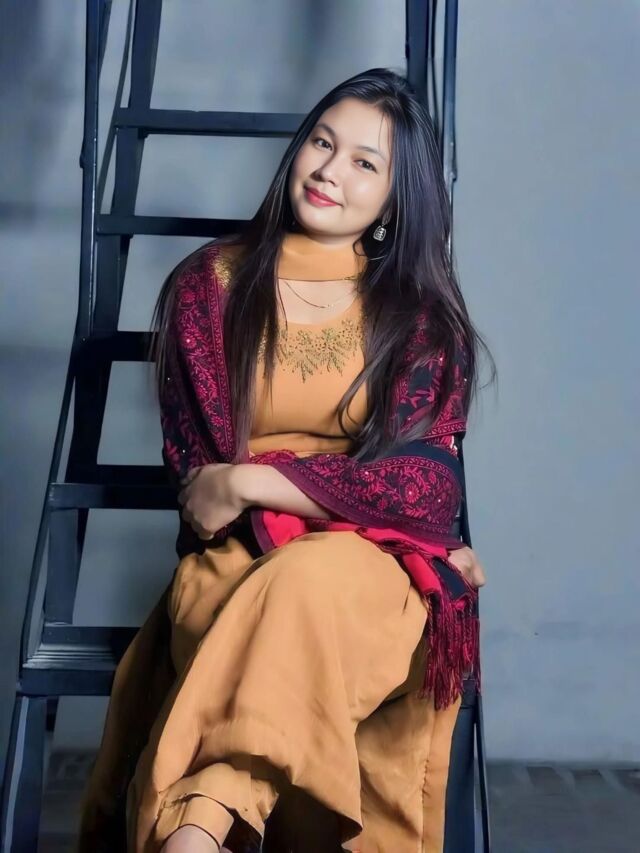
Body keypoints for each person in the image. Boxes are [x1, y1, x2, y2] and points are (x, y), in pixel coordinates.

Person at [77, 67, 492, 853]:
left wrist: (257, 477)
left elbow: (426, 487)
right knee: (288, 599)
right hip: (237, 565)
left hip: (371, 582)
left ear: (394, 200)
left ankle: (194, 834)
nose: (332, 171)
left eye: (365, 163)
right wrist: (364, 505)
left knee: (312, 582)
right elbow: (206, 489)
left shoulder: (416, 315)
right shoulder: (210, 287)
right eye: (322, 144)